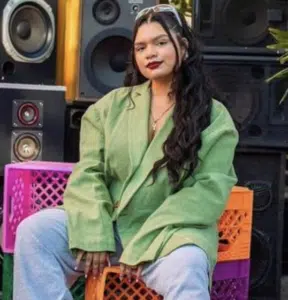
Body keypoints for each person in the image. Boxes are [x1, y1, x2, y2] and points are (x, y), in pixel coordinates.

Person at [13, 4, 239, 300]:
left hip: (167, 236)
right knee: (36, 232)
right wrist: (95, 231)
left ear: (183, 48)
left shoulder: (213, 116)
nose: (151, 53)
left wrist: (145, 239)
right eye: (141, 47)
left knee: (189, 265)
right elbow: (90, 172)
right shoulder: (109, 108)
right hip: (109, 225)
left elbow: (209, 189)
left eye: (160, 42)